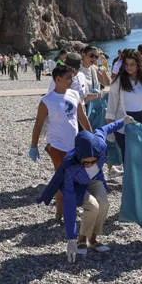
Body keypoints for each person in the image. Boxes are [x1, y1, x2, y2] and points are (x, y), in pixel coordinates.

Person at [38, 119, 130, 261]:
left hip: (95, 178)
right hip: (77, 184)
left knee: (104, 204)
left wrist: (124, 121)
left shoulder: (99, 143)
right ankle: (81, 239)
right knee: (93, 206)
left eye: (93, 161)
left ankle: (92, 239)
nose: (89, 164)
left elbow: (107, 127)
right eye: (85, 162)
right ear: (79, 157)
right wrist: (71, 238)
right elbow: (68, 204)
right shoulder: (69, 165)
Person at [30, 64, 92, 222]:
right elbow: (38, 124)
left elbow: (81, 116)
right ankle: (62, 212)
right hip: (56, 146)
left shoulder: (74, 94)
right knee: (64, 178)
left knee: (73, 177)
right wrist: (33, 145)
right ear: (57, 79)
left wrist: (91, 136)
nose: (72, 80)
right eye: (68, 78)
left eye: (72, 77)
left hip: (74, 145)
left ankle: (66, 209)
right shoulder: (47, 100)